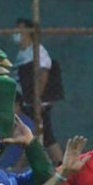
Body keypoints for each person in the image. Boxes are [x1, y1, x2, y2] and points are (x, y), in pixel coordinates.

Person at [13, 18, 64, 162]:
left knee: (46, 136)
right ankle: (20, 165)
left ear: (28, 32)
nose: (16, 33)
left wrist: (37, 98)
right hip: (23, 99)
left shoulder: (37, 51)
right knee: (34, 133)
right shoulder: (23, 53)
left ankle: (61, 166)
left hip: (36, 102)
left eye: (20, 29)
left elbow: (43, 73)